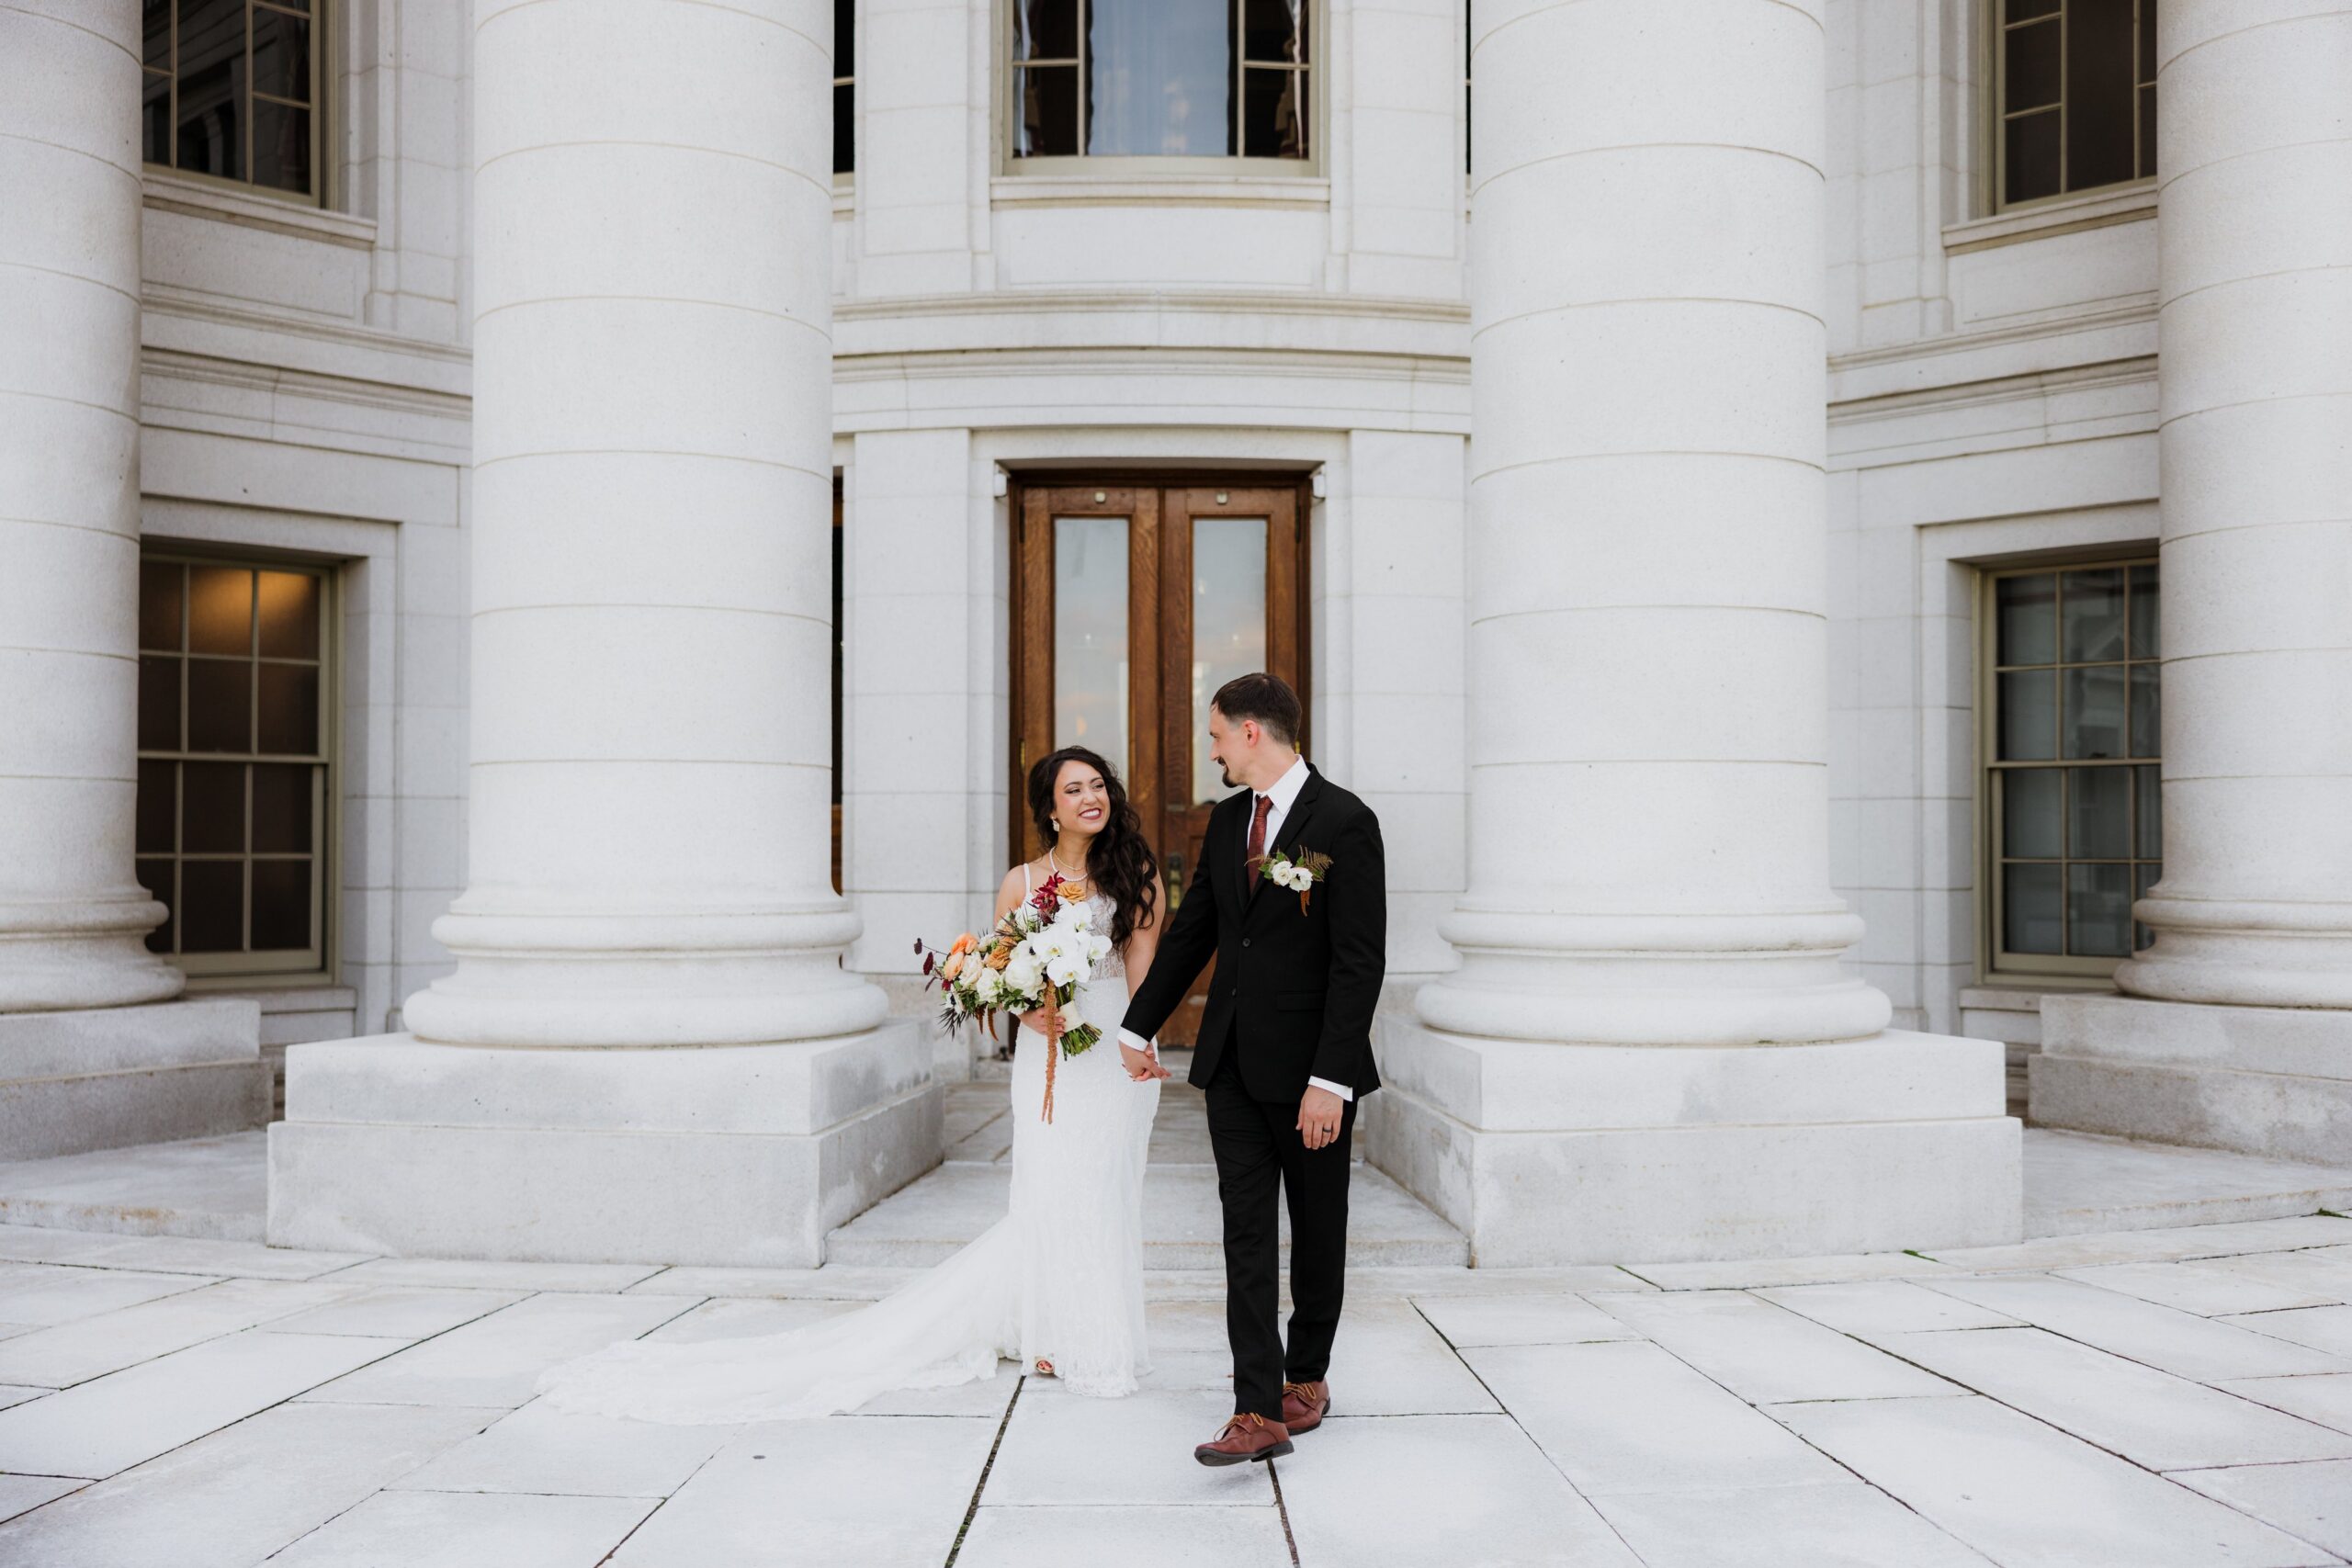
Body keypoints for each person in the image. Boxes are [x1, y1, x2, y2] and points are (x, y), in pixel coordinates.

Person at [532, 747, 1171, 1422]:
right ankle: (1052, 1334)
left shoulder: (1136, 872)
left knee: (1105, 1185)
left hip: (1116, 1049)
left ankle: (1094, 1331)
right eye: (1074, 788)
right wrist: (1029, 1013)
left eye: (1098, 784)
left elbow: (1145, 967)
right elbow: (1001, 971)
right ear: (1050, 806)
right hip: (1051, 1053)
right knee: (1049, 1189)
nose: (1090, 797)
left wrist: (1139, 1041)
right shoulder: (1022, 881)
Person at [1118, 671, 1386, 1466]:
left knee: (1317, 1232)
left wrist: (1330, 1081)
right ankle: (1254, 1406)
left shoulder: (1346, 820)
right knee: (1244, 1234)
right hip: (1230, 1066)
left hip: (1311, 1075)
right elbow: (1197, 932)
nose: (1211, 751)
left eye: (1215, 735)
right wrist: (1139, 1025)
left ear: (1252, 734)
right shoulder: (1229, 818)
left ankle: (1307, 1375)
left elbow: (1358, 961)